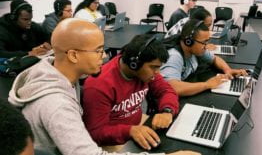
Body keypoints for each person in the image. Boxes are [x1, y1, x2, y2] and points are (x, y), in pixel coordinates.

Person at [8, 18, 200, 155]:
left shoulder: (58, 73)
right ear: (73, 55)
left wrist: (166, 110)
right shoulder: (57, 105)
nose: (105, 56)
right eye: (99, 51)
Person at [83, 34, 179, 150]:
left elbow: (166, 90)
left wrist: (167, 110)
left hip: (136, 126)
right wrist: (130, 131)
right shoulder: (98, 85)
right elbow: (96, 132)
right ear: (134, 64)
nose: (157, 72)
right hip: (111, 140)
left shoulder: (145, 73)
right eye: (154, 67)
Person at [160, 19, 247, 97]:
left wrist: (228, 70)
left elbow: (215, 59)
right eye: (204, 42)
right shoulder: (174, 56)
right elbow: (173, 87)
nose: (206, 46)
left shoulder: (196, 49)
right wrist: (207, 84)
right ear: (188, 42)